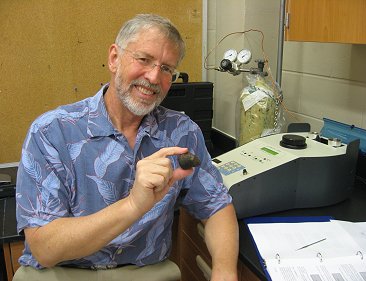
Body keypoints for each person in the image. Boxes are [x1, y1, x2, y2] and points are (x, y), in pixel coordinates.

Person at [15, 14, 239, 281]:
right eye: (144, 59)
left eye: (167, 69)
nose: (154, 76)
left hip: (146, 273)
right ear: (114, 58)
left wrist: (225, 271)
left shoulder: (182, 133)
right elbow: (44, 248)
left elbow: (215, 205)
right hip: (62, 272)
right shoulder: (52, 133)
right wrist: (133, 205)